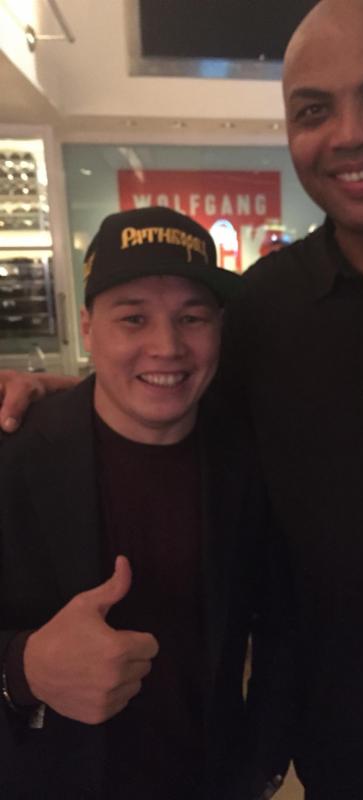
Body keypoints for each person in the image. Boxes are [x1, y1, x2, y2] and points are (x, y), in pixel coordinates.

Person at [4, 0, 363, 797]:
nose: (350, 133)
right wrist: (65, 398)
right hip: (343, 759)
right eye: (315, 110)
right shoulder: (263, 308)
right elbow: (172, 397)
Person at [0, 206, 291, 799]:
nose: (167, 346)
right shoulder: (13, 454)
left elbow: (283, 623)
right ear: (88, 328)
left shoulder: (252, 459)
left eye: (192, 318)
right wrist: (20, 668)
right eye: (133, 318)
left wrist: (260, 764)